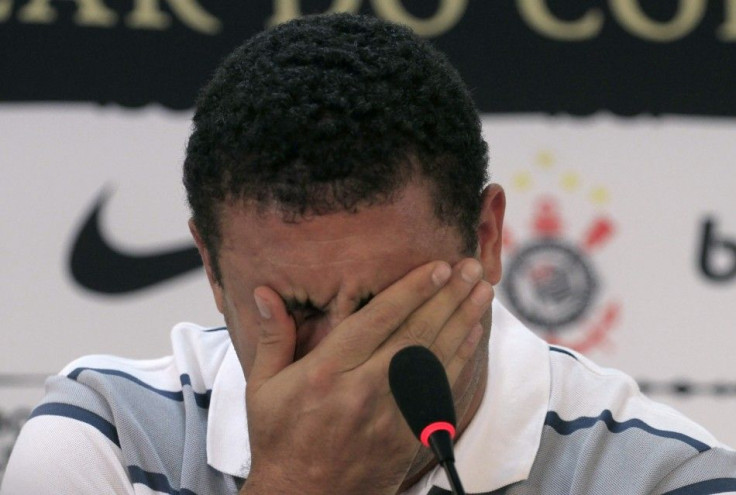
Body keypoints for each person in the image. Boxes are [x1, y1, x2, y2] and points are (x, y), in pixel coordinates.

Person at [3, 13, 736, 495]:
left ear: (485, 242)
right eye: (293, 312)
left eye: (383, 303)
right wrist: (301, 482)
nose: (339, 364)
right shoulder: (102, 438)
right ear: (211, 267)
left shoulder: (669, 478)